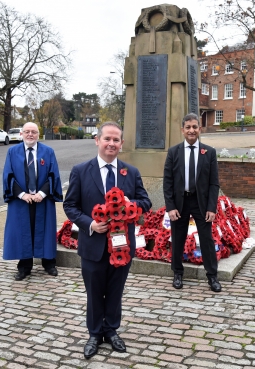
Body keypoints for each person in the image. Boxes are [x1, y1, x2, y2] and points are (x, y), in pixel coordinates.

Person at [63, 122, 151, 359]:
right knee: (94, 292)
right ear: (97, 140)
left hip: (122, 246)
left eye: (116, 140)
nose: (111, 144)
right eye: (107, 139)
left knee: (115, 290)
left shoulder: (130, 172)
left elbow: (146, 201)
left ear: (121, 144)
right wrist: (90, 224)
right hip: (93, 245)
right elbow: (70, 205)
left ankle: (111, 330)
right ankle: (94, 333)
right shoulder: (81, 170)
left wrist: (128, 206)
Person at [163, 113, 221, 293]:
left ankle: (212, 276)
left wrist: (212, 207)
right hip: (180, 203)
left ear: (199, 129)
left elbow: (214, 183)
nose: (191, 130)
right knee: (178, 238)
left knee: (206, 240)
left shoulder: (209, 152)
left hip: (200, 202)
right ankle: (177, 273)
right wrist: (170, 207)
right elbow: (168, 182)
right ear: (182, 130)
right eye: (188, 127)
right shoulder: (174, 152)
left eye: (195, 127)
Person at [3, 122, 62, 281]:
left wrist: (42, 193)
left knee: (45, 230)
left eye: (34, 132)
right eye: (27, 132)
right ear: (21, 134)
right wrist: (22, 194)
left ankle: (49, 264)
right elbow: (8, 175)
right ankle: (24, 267)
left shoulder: (48, 151)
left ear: (38, 134)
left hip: (42, 199)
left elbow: (53, 174)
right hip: (21, 200)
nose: (30, 135)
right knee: (23, 231)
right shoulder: (12, 152)